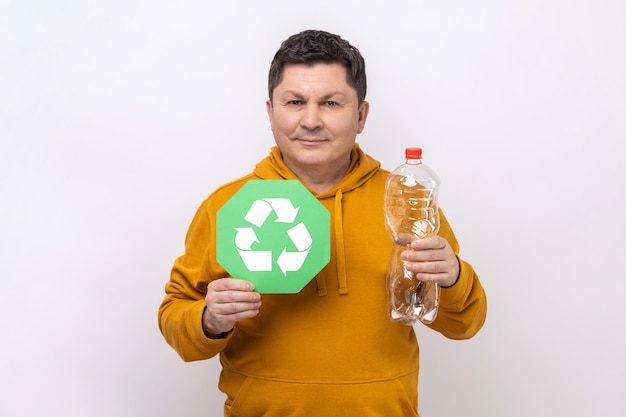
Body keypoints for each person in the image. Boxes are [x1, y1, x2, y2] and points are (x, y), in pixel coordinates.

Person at [158, 29, 487, 416]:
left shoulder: (407, 201)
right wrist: (209, 319)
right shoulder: (226, 206)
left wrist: (451, 278)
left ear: (361, 116)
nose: (310, 120)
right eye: (295, 101)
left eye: (331, 103)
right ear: (270, 112)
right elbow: (176, 319)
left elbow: (463, 324)